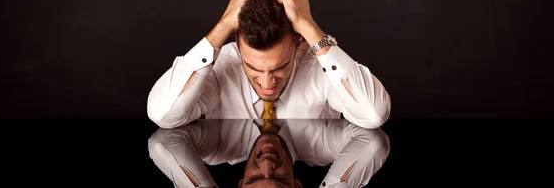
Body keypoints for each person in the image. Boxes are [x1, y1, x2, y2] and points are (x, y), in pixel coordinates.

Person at [147, 0, 391, 129]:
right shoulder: (221, 67)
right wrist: (222, 27)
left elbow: (374, 115)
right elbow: (162, 115)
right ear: (237, 46)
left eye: (280, 67)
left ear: (299, 43)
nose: (267, 82)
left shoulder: (318, 68)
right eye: (253, 67)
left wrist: (310, 28)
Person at [148, 118, 391, 188]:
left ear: (241, 184)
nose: (267, 165)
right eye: (280, 178)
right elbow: (372, 141)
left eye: (254, 178)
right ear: (297, 185)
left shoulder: (219, 145)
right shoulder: (320, 145)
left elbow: (162, 142)